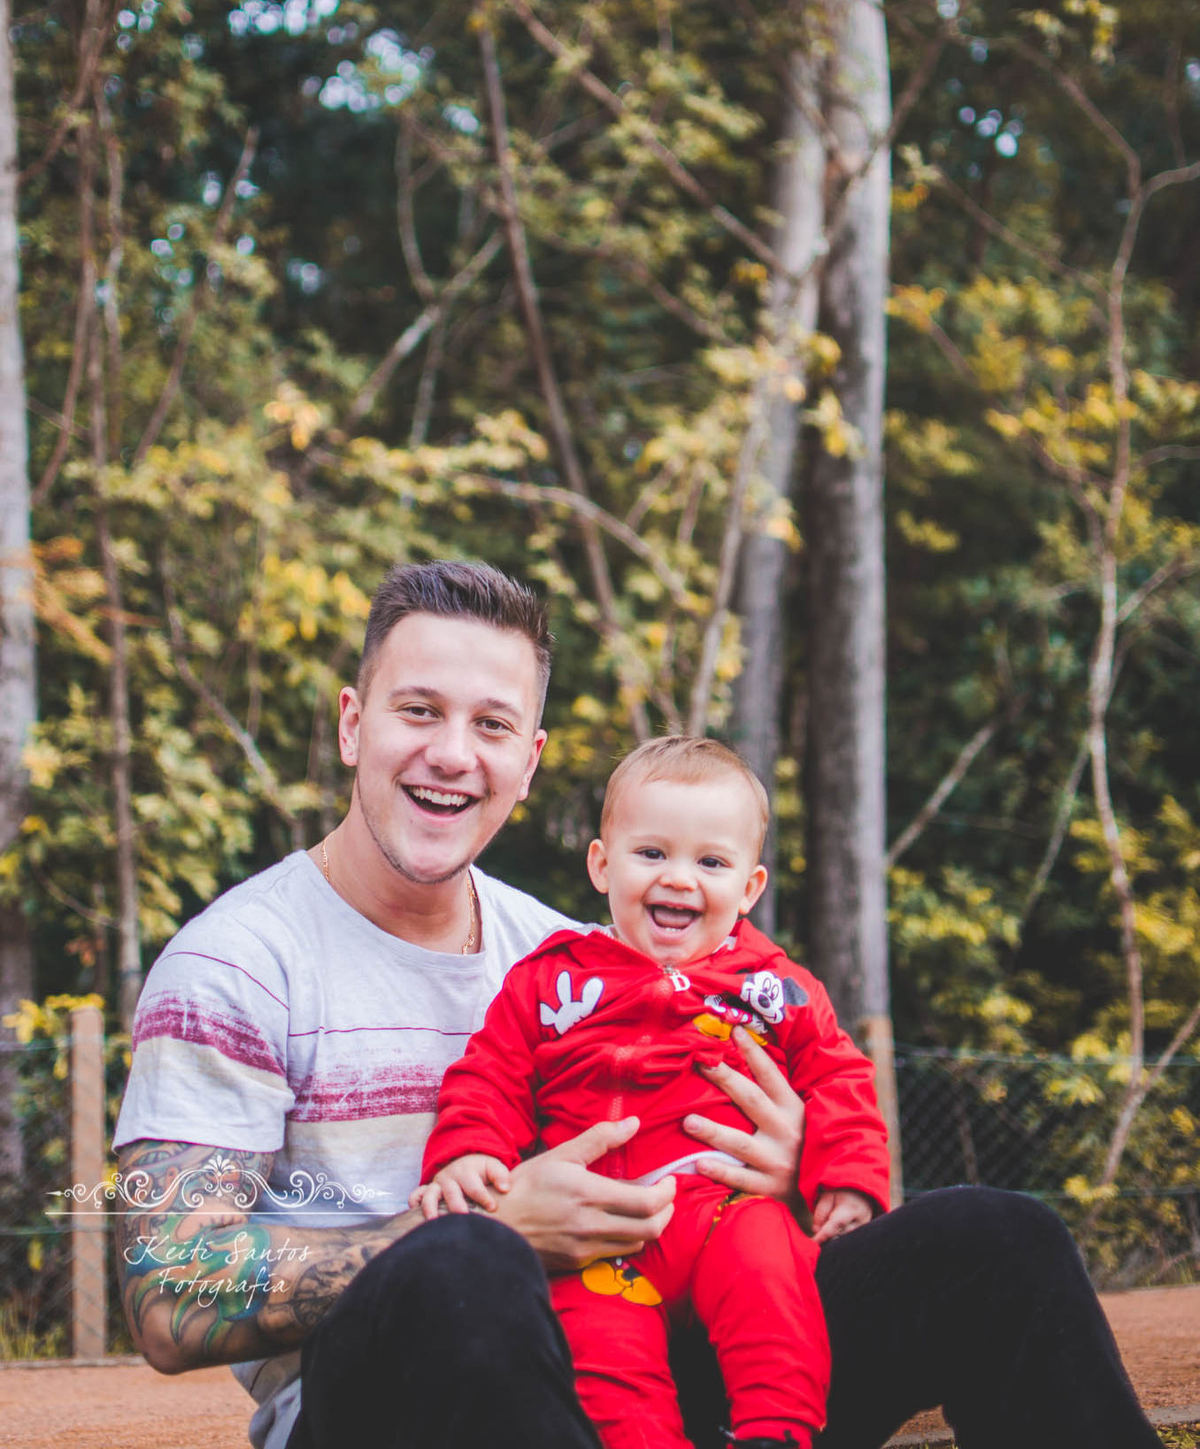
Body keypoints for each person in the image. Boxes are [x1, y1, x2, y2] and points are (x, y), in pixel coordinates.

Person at [113, 559, 1163, 1449]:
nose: (452, 754)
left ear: (529, 762)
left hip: (652, 1357)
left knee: (998, 1240)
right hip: (396, 1408)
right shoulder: (238, 966)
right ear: (354, 726)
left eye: (492, 725)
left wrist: (793, 1171)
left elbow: (742, 1130)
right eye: (418, 711)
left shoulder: (575, 952)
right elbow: (168, 1296)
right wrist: (501, 1232)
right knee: (467, 1264)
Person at [416, 736, 892, 1449]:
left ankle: (777, 1432)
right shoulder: (550, 980)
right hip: (598, 1229)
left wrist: (848, 1180)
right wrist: (469, 1152)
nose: (679, 878)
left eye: (711, 863)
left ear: (750, 888)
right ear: (602, 865)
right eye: (651, 853)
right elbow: (490, 1074)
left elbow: (838, 1079)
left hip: (727, 1210)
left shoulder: (775, 988)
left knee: (772, 1280)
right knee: (600, 1360)